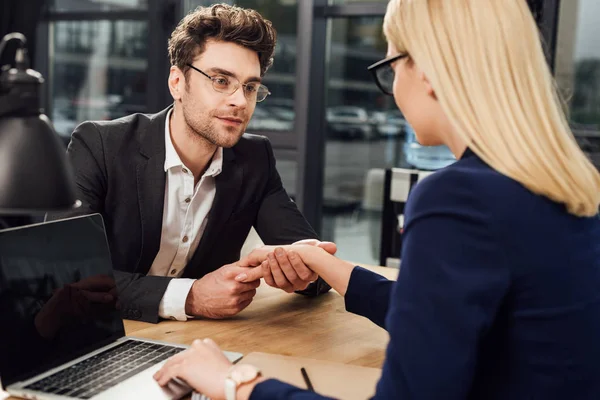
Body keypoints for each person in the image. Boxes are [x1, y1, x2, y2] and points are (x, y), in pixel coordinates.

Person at [153, 0, 600, 399]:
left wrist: (235, 383)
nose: (393, 88)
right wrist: (332, 266)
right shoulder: (564, 184)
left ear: (425, 69)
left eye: (392, 65)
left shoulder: (459, 198)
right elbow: (439, 316)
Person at [46, 4, 335, 324]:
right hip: (100, 337)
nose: (240, 101)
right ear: (177, 82)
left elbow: (318, 268)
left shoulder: (255, 159)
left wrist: (298, 272)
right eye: (221, 80)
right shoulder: (101, 145)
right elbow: (63, 271)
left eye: (250, 87)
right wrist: (191, 296)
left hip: (195, 347)